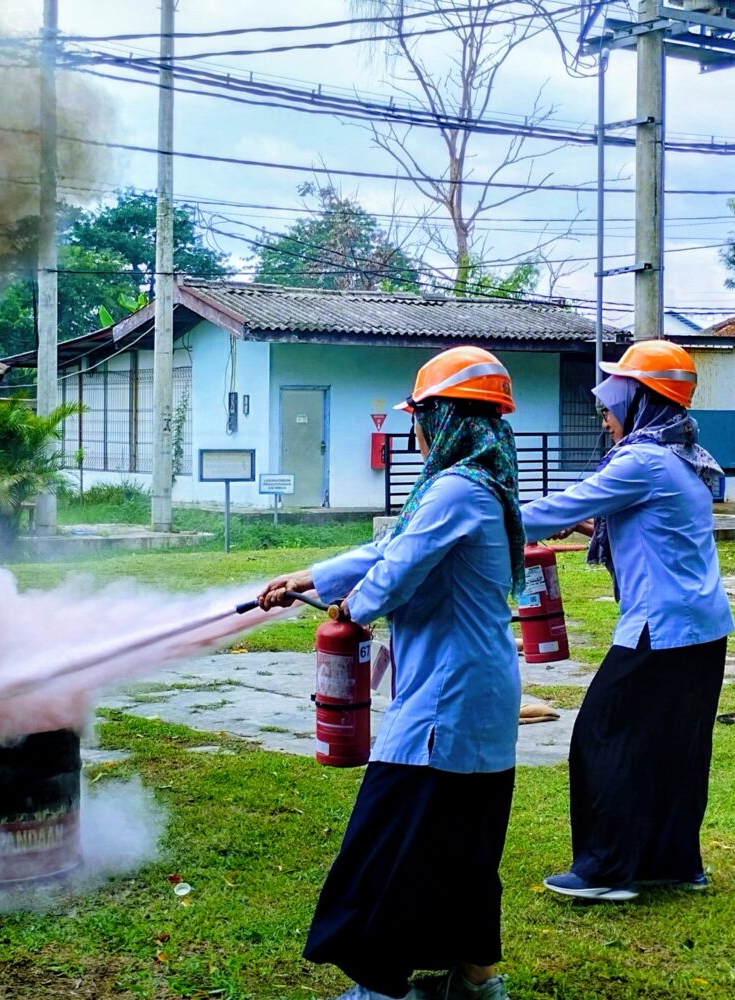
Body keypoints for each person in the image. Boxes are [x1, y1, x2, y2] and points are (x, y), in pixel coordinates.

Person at [257, 346, 525, 1000]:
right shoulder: (479, 484)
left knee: (387, 842)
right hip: (474, 691)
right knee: (464, 847)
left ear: (443, 418)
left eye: (420, 416)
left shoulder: (458, 488)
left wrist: (353, 606)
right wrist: (309, 578)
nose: (414, 430)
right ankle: (475, 980)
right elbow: (389, 549)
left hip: (447, 699)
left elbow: (399, 569)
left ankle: (381, 987)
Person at [518, 340, 735, 903]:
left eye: (615, 403)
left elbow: (559, 505)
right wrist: (590, 528)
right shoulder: (682, 456)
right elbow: (653, 533)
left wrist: (482, 518)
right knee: (672, 747)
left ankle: (605, 870)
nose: (607, 416)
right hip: (702, 627)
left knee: (602, 736)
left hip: (661, 627)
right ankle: (671, 862)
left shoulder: (642, 461)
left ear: (642, 402)